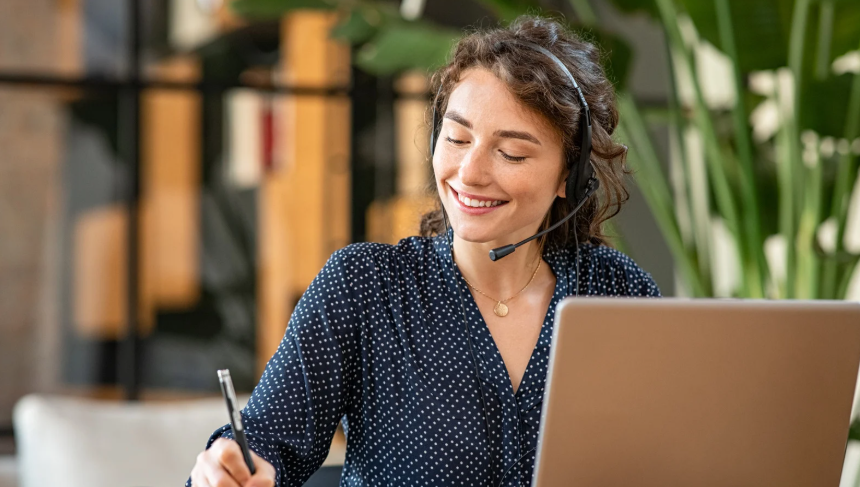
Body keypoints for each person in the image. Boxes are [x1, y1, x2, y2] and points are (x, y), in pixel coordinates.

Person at [188, 15, 660, 487]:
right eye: (456, 139)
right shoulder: (366, 287)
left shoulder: (618, 293)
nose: (468, 172)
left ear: (569, 177)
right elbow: (264, 448)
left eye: (511, 153)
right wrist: (227, 469)